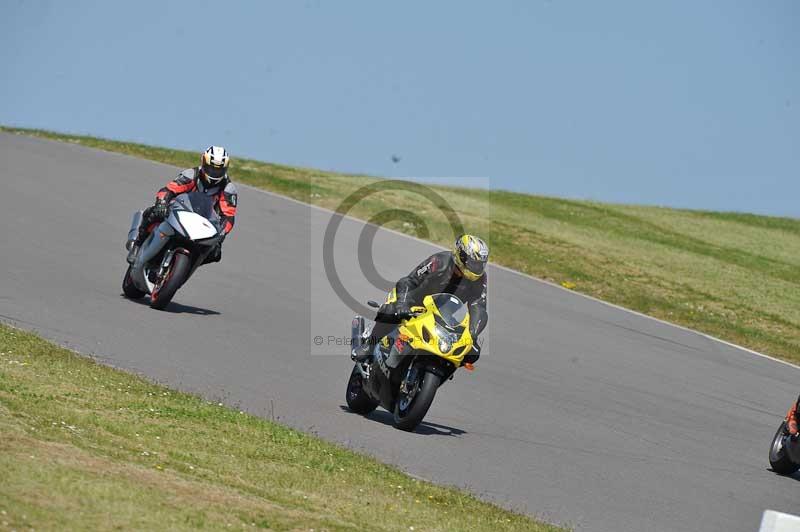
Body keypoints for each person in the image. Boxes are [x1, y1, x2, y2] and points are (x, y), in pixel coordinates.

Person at [352, 234, 489, 366]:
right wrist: (402, 304)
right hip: (414, 302)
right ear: (461, 256)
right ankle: (369, 347)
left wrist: (472, 333)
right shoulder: (439, 262)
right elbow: (409, 281)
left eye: (480, 264)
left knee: (471, 353)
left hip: (443, 314)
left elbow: (479, 306)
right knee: (390, 310)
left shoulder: (480, 278)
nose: (477, 268)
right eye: (474, 263)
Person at [127, 145, 238, 264]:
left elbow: (228, 216)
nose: (214, 172)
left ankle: (186, 267)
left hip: (206, 224)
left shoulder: (228, 189)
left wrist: (221, 233)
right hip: (179, 211)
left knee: (215, 254)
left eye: (218, 170)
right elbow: (168, 190)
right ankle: (138, 244)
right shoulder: (191, 175)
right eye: (211, 168)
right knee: (153, 213)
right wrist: (162, 203)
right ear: (203, 162)